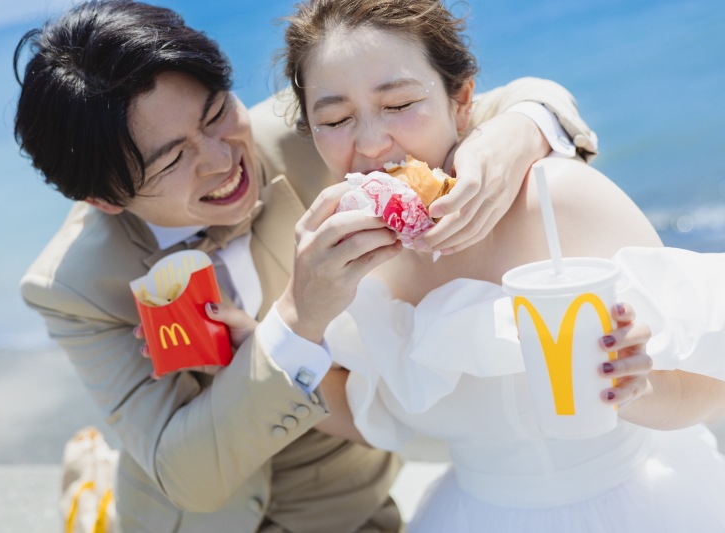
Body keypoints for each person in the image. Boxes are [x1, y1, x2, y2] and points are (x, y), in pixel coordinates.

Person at [14, 0, 605, 531]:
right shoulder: (72, 286)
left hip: (349, 511)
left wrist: (515, 137)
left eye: (217, 112)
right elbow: (185, 475)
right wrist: (297, 320)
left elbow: (516, 99)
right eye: (173, 160)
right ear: (105, 201)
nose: (222, 160)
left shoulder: (322, 128)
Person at [277, 0, 725, 531]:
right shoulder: (348, 264)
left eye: (398, 104)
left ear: (462, 100)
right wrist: (279, 327)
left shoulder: (557, 197)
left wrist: (641, 390)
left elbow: (708, 381)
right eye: (335, 119)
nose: (372, 143)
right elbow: (371, 415)